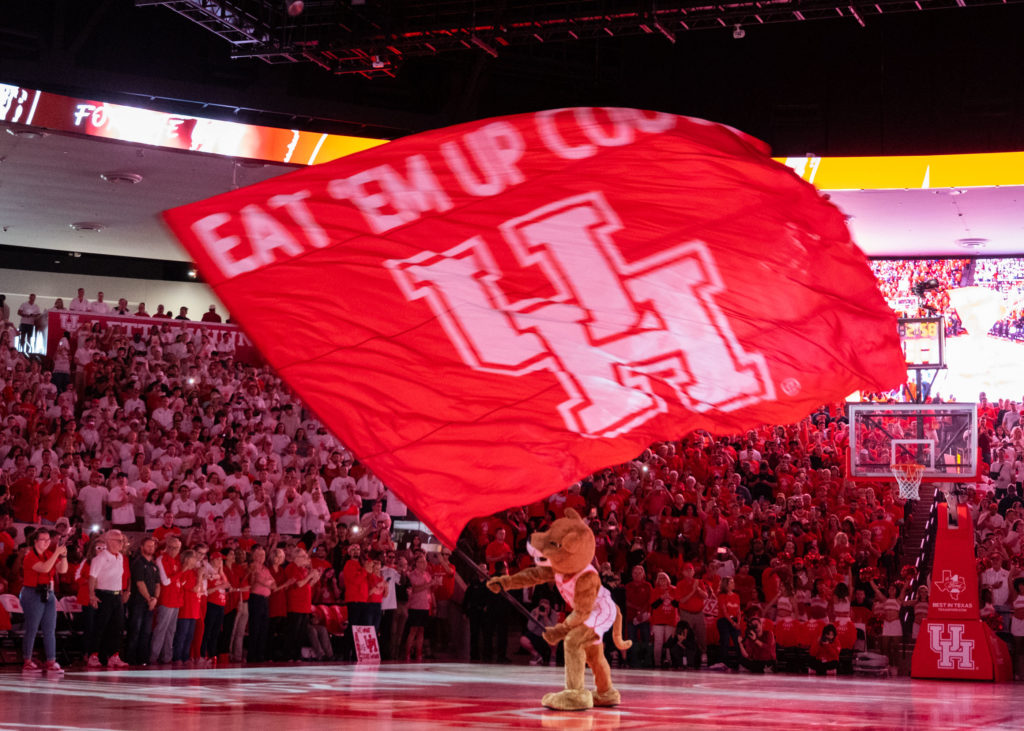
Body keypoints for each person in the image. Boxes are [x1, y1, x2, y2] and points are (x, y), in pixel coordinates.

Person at [20, 528, 68, 674]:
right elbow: (45, 568)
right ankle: (27, 660)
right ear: (35, 541)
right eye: (43, 540)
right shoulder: (30, 556)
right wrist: (56, 554)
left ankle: (51, 660)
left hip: (48, 592)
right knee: (32, 628)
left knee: (50, 628)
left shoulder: (49, 554)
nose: (47, 542)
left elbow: (63, 570)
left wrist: (64, 556)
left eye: (48, 540)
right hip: (32, 592)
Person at [86, 529, 130, 668]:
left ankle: (113, 656)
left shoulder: (120, 557)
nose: (122, 543)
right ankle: (93, 655)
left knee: (117, 627)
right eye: (119, 540)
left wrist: (124, 592)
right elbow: (92, 577)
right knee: (100, 626)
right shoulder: (99, 558)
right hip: (104, 594)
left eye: (122, 540)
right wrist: (92, 595)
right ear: (109, 541)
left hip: (117, 595)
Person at [126, 536, 161, 666]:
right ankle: (130, 658)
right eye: (148, 546)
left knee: (146, 632)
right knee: (135, 630)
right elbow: (139, 583)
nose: (151, 548)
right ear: (142, 547)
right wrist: (149, 598)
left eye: (153, 546)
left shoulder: (154, 565)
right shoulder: (138, 563)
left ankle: (143, 658)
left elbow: (158, 583)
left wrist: (155, 599)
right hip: (138, 602)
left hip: (150, 603)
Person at [247, 545, 274, 663]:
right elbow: (256, 581)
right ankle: (252, 655)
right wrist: (266, 582)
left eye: (263, 555)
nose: (261, 557)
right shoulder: (253, 566)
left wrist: (265, 582)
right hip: (256, 598)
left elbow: (274, 585)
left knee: (264, 627)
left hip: (265, 599)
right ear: (254, 556)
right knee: (255, 627)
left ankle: (260, 654)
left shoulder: (265, 569)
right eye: (259, 555)